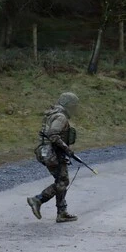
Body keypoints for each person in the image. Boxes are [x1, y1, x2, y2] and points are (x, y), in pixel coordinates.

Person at [27, 92, 80, 223]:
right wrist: (67, 149)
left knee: (61, 179)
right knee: (63, 181)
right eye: (74, 106)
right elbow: (53, 135)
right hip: (53, 153)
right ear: (68, 105)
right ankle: (38, 199)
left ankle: (62, 212)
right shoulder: (61, 117)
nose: (75, 109)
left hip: (47, 151)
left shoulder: (52, 114)